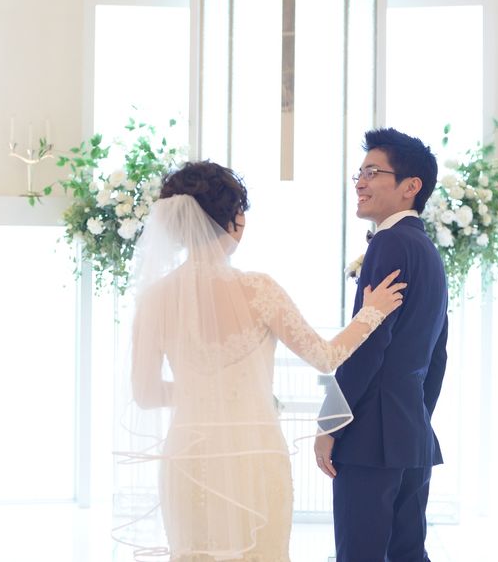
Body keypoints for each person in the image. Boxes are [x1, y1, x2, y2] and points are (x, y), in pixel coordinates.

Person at [113, 160, 406, 561]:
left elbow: (146, 394)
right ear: (233, 220)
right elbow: (325, 357)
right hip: (255, 456)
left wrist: (204, 392)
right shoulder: (258, 290)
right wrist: (371, 313)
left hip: (187, 458)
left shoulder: (153, 299)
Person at [314, 128, 448, 562]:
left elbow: (367, 347)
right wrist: (415, 419)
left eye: (373, 172)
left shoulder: (389, 242)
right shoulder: (428, 251)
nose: (360, 183)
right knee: (407, 554)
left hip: (369, 440)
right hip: (412, 436)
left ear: (411, 186)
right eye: (359, 173)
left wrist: (330, 426)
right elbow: (438, 355)